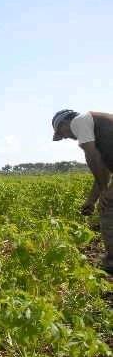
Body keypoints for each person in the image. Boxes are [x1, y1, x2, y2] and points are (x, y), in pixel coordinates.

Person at [52, 109, 113, 274]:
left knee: (107, 207)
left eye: (61, 132)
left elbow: (93, 157)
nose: (64, 137)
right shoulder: (97, 132)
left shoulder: (79, 121)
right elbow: (103, 171)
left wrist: (105, 192)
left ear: (66, 122)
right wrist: (91, 200)